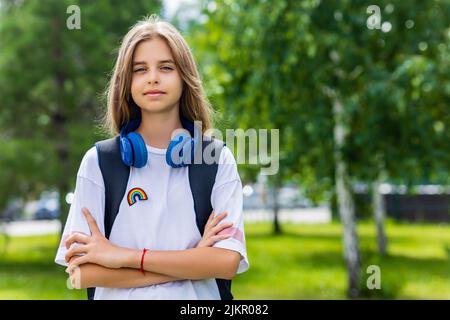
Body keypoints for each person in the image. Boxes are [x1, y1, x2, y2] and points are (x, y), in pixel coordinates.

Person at [54, 15, 249, 300]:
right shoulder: (98, 162)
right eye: (140, 69)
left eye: (166, 67)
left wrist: (121, 256)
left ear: (185, 78)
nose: (153, 77)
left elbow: (226, 262)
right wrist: (194, 261)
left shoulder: (215, 160)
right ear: (127, 83)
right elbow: (82, 274)